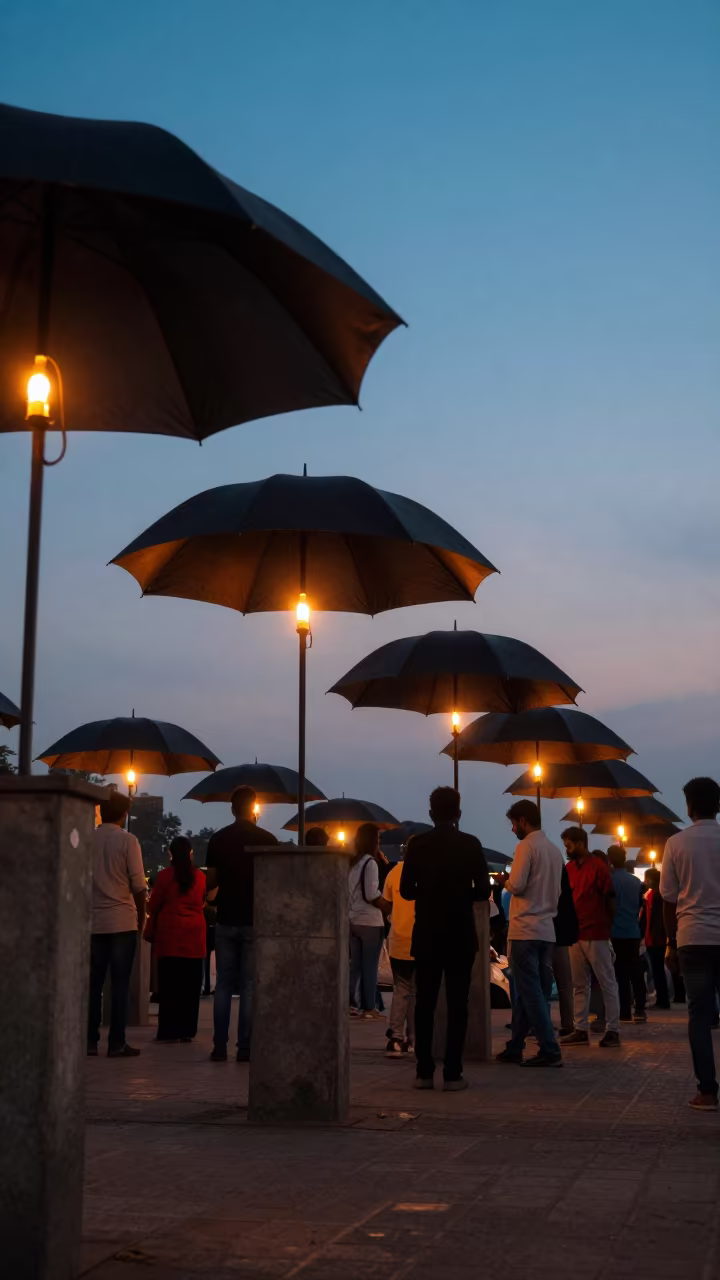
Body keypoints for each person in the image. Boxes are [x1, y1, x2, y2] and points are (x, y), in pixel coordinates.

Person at [400, 787, 490, 1091]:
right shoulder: (470, 844)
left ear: (430, 813)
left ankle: (424, 1071)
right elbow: (483, 892)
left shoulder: (417, 845)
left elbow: (406, 891)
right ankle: (453, 1073)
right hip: (460, 934)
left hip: (426, 933)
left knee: (424, 1003)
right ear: (459, 813)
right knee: (457, 1004)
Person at [205, 785, 277, 1062]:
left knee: (223, 984)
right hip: (253, 919)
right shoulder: (267, 839)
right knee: (248, 985)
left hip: (226, 919)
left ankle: (219, 1045)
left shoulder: (218, 839)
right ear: (254, 808)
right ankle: (244, 1045)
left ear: (232, 809)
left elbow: (211, 881)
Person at [660, 776, 720, 1110]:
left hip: (693, 939)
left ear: (690, 806)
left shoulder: (677, 843)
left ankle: (708, 1092)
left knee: (698, 1016)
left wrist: (670, 942)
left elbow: (669, 900)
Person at [497, 800, 564, 1068]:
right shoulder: (554, 851)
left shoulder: (526, 846)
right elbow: (557, 892)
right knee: (531, 991)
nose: (513, 829)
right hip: (547, 930)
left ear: (523, 821)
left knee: (530, 992)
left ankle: (549, 1048)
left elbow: (518, 884)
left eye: (514, 824)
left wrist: (506, 881)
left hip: (524, 928)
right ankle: (515, 1046)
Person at [87, 790, 146, 1058]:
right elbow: (137, 885)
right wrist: (141, 917)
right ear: (124, 814)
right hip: (122, 921)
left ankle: (89, 1041)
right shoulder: (128, 840)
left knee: (93, 984)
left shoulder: (88, 840)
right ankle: (116, 1042)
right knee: (119, 985)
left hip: (93, 921)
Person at [561, 827, 621, 1049]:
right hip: (575, 934)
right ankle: (580, 1029)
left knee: (607, 982)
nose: (566, 850)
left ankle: (613, 1030)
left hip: (596, 933)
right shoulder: (567, 869)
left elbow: (610, 899)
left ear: (579, 843)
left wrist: (606, 925)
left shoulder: (598, 867)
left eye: (568, 845)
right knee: (579, 984)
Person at [144, 836, 206, 1041]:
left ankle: (168, 1030)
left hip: (169, 936)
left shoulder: (164, 877)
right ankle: (187, 1030)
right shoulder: (200, 877)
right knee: (190, 988)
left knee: (169, 987)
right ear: (190, 854)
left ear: (170, 853)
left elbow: (152, 906)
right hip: (194, 938)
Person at [348, 824, 388, 1019]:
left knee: (355, 965)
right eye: (378, 839)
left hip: (353, 919)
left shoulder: (352, 863)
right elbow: (371, 893)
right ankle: (369, 1007)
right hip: (370, 921)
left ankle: (350, 1004)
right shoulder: (370, 863)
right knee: (370, 966)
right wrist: (386, 904)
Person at [382, 848, 416, 1056]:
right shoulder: (427, 872)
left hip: (398, 940)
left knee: (401, 989)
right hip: (421, 941)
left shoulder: (394, 872)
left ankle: (395, 1038)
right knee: (416, 992)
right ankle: (413, 1040)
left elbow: (386, 904)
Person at [608, 843, 647, 1023]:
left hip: (615, 932)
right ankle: (640, 1009)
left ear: (610, 860)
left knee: (620, 974)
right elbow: (640, 905)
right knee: (636, 973)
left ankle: (624, 1011)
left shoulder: (610, 880)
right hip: (633, 931)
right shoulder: (636, 882)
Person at [553, 864, 579, 1038]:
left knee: (541, 983)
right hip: (561, 936)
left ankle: (539, 1024)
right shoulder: (564, 886)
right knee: (565, 983)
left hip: (544, 933)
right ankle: (567, 1023)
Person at [643, 868, 670, 1008]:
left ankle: (662, 1000)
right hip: (654, 939)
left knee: (657, 970)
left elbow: (656, 920)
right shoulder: (655, 894)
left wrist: (652, 936)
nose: (645, 881)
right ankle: (662, 998)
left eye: (646, 879)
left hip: (655, 940)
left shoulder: (656, 895)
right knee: (657, 970)